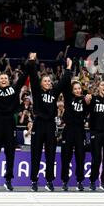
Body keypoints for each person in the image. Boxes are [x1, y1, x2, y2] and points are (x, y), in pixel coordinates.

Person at [0, 59, 28, 192]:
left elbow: (23, 77)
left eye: (5, 78)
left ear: (9, 80)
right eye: (1, 78)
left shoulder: (14, 89)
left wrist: (30, 62)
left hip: (9, 122)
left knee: (10, 153)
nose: (3, 80)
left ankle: (8, 180)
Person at [27, 52, 68, 192]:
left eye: (49, 81)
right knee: (36, 154)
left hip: (50, 125)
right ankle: (34, 181)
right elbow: (32, 77)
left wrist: (68, 69)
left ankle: (49, 181)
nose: (48, 82)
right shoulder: (37, 92)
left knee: (50, 154)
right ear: (41, 83)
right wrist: (32, 62)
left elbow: (62, 83)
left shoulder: (54, 92)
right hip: (38, 124)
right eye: (45, 81)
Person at [60, 58, 88, 192]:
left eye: (79, 88)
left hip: (80, 131)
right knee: (66, 157)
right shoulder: (68, 98)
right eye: (75, 89)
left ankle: (80, 181)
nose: (77, 90)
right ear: (71, 91)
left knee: (80, 158)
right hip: (68, 130)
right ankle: (65, 181)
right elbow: (65, 82)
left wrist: (89, 102)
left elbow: (88, 113)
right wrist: (69, 67)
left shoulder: (85, 100)